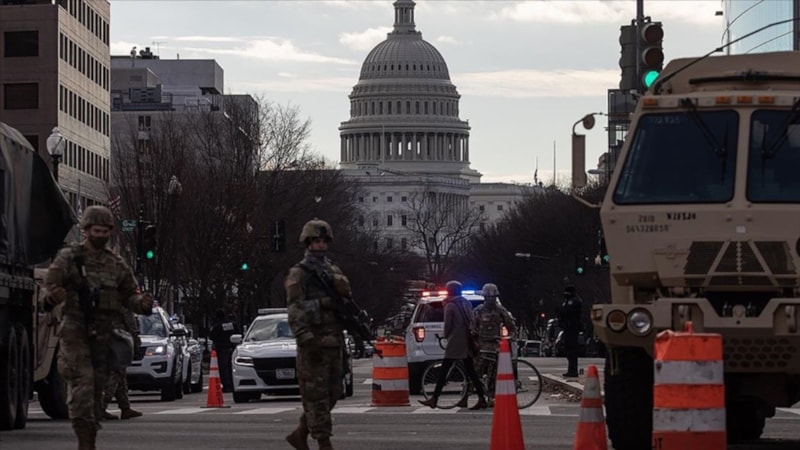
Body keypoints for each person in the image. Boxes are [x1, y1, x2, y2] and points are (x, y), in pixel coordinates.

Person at [44, 206, 153, 450]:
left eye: (105, 231)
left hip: (103, 336)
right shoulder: (70, 258)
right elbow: (50, 285)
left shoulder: (116, 264)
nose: (100, 235)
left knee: (96, 394)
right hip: (75, 331)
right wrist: (53, 297)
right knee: (83, 385)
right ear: (86, 230)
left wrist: (143, 304)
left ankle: (89, 438)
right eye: (96, 230)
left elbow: (129, 296)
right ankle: (84, 443)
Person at [285, 219, 349, 450]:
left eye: (324, 241)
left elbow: (345, 302)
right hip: (314, 342)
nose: (320, 246)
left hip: (334, 342)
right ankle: (324, 442)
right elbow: (294, 309)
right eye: (316, 242)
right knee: (317, 396)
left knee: (334, 392)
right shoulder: (300, 274)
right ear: (308, 243)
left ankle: (301, 432)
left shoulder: (332, 270)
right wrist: (306, 336)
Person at [419, 280, 488, 410]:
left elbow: (448, 325)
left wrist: (446, 335)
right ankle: (480, 398)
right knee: (471, 372)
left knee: (444, 370)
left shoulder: (450, 305)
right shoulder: (466, 303)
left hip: (456, 341)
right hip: (467, 340)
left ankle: (434, 398)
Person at [472, 283, 517, 403]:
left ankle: (492, 395)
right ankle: (477, 392)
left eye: (493, 297)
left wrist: (508, 338)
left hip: (496, 345)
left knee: (496, 371)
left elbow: (511, 326)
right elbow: (472, 328)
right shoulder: (478, 311)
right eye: (488, 297)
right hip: (482, 346)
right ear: (484, 297)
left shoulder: (501, 311)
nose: (491, 299)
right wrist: (473, 340)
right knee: (476, 371)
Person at [101, 307, 143, 420]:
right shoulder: (122, 300)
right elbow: (129, 320)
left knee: (121, 374)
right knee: (116, 373)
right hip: (118, 337)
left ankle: (125, 408)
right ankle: (101, 407)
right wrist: (135, 338)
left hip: (107, 335)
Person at [209, 308, 238, 392]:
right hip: (233, 348)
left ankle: (226, 385)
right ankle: (233, 384)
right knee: (232, 368)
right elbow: (238, 333)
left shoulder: (217, 326)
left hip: (222, 349)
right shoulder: (232, 324)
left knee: (223, 368)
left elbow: (211, 336)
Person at [558, 283, 583, 378]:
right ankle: (571, 369)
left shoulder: (574, 301)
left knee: (571, 350)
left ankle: (573, 370)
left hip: (572, 328)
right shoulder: (568, 301)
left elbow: (568, 312)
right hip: (567, 328)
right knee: (568, 349)